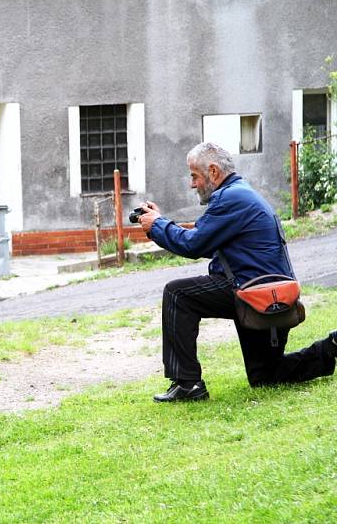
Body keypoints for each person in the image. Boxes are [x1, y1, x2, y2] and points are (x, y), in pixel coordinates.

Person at [137, 141, 337, 402]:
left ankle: (188, 384)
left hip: (254, 294)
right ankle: (331, 347)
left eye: (194, 176)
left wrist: (157, 225)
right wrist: (160, 224)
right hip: (270, 296)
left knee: (178, 294)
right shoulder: (239, 194)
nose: (192, 184)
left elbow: (193, 244)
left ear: (213, 171)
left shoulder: (229, 198)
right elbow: (205, 241)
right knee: (265, 375)